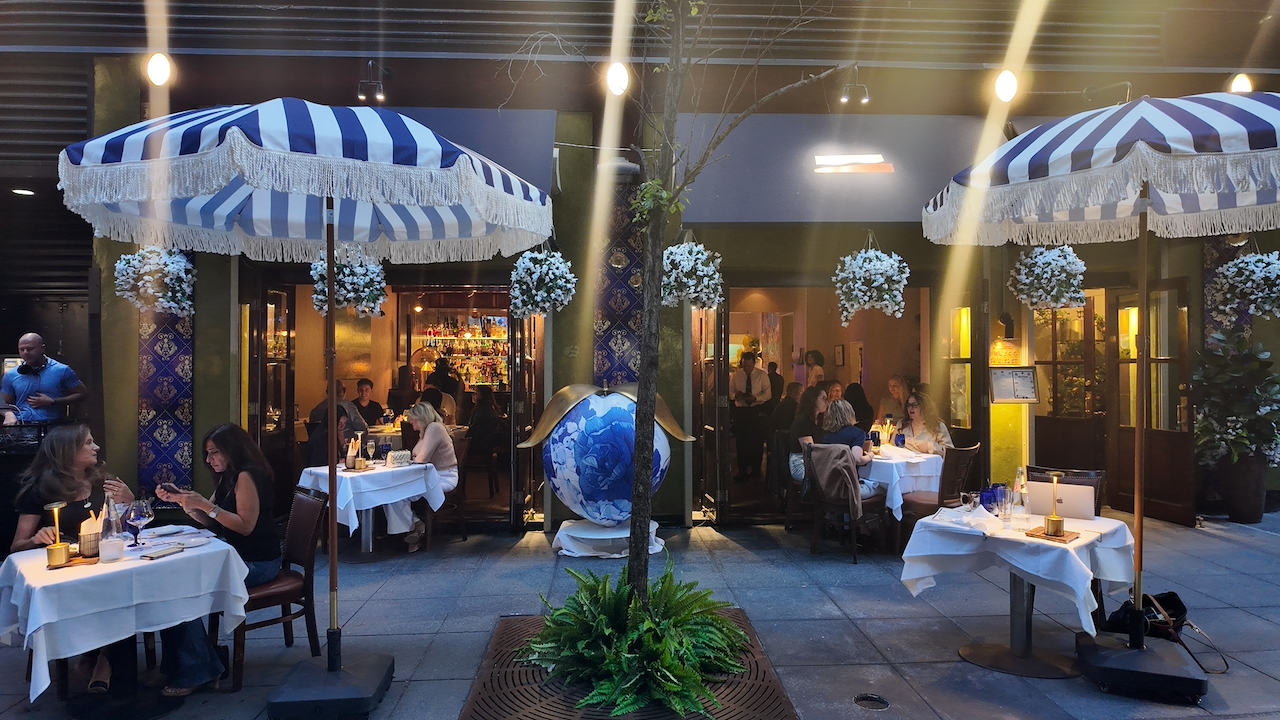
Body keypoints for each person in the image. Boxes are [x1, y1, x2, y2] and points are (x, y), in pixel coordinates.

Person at [154, 424, 281, 697]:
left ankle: (199, 669)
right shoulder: (228, 477)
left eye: (214, 452)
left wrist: (204, 504)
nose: (209, 459)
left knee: (180, 591)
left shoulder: (248, 475)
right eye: (207, 453)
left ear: (232, 450)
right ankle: (181, 665)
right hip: (236, 556)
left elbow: (245, 526)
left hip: (259, 562)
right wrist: (184, 502)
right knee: (169, 586)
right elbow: (211, 521)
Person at [11, 424, 136, 693]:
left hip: (105, 564)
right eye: (88, 443)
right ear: (68, 451)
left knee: (126, 587)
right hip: (67, 573)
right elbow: (16, 547)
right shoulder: (41, 490)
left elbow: (122, 529)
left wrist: (129, 501)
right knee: (114, 593)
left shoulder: (103, 482)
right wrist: (37, 538)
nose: (96, 447)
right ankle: (101, 658)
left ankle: (100, 659)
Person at [402, 401, 460, 552]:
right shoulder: (425, 432)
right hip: (429, 475)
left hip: (444, 476)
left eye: (413, 419)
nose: (410, 422)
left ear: (421, 418)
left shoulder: (435, 428)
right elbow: (416, 457)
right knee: (395, 493)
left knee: (399, 492)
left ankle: (414, 529)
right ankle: (415, 525)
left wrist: (409, 460)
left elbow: (421, 459)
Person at [1, 333, 88, 425]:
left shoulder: (61, 370)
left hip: (54, 426)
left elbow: (82, 394)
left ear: (42, 348)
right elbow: (2, 402)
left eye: (30, 349)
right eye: (21, 349)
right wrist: (8, 414)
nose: (25, 352)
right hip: (24, 426)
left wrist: (53, 401)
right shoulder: (12, 374)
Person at [729, 351, 771, 480]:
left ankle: (756, 469)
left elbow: (768, 394)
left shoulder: (762, 375)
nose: (746, 368)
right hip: (741, 411)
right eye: (744, 366)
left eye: (749, 366)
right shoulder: (736, 375)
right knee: (741, 441)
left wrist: (756, 398)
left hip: (755, 411)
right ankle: (742, 469)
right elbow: (730, 392)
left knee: (756, 440)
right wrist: (736, 395)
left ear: (754, 363)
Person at [894, 391, 954, 456]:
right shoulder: (902, 424)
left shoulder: (938, 426)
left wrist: (930, 446)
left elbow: (950, 453)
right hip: (904, 461)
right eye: (908, 405)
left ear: (924, 407)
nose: (910, 408)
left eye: (914, 405)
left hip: (929, 462)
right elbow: (892, 447)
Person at [788, 386, 827, 482]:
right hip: (800, 462)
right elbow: (810, 450)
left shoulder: (819, 421)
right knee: (830, 475)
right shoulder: (802, 421)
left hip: (816, 461)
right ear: (813, 400)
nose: (827, 402)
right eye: (823, 398)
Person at [465, 385, 500, 461]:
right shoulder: (489, 409)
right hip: (486, 445)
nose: (472, 395)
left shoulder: (483, 411)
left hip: (478, 446)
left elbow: (475, 431)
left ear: (482, 396)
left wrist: (463, 436)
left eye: (475, 393)